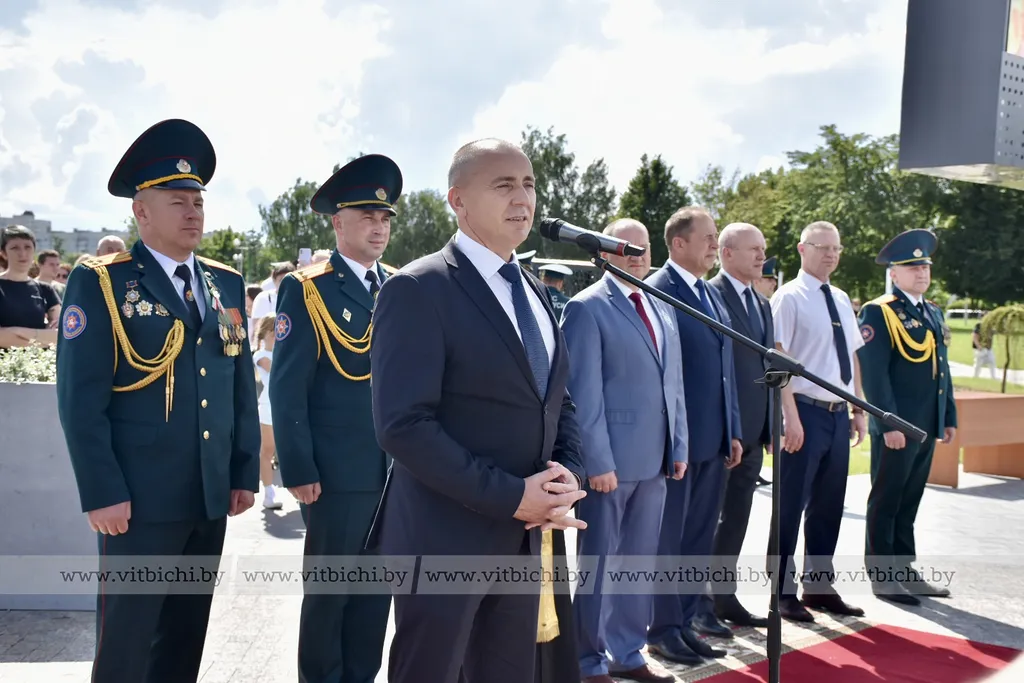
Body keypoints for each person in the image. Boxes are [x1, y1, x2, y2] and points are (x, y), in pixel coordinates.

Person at [368, 138, 587, 683]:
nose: (523, 198)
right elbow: (403, 425)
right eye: (504, 185)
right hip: (445, 539)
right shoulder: (418, 288)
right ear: (458, 200)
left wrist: (568, 473)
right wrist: (512, 495)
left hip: (526, 537)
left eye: (529, 184)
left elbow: (557, 399)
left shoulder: (534, 290)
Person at [55, 118, 261, 682]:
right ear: (141, 212)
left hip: (208, 494)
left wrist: (242, 470)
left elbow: (238, 384)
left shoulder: (223, 282)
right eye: (177, 201)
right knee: (127, 640)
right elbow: (80, 400)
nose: (193, 212)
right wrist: (102, 491)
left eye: (198, 201)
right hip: (138, 501)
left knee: (184, 638)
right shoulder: (104, 282)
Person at [270, 154, 401, 683]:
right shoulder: (307, 288)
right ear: (338, 222)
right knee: (330, 594)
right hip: (336, 474)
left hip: (393, 473)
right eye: (367, 216)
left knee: (374, 597)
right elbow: (288, 387)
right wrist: (299, 467)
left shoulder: (399, 285)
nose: (379, 227)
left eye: (385, 218)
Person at [561, 218, 686, 683]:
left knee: (637, 563)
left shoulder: (661, 305)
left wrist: (678, 444)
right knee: (598, 566)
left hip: (655, 460)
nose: (637, 255)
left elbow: (673, 385)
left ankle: (627, 654)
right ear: (604, 252)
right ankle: (587, 661)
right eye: (625, 247)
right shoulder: (587, 307)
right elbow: (583, 393)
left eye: (643, 247)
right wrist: (597, 461)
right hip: (609, 465)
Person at [646, 207, 742, 665]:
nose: (714, 245)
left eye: (715, 236)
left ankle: (685, 623)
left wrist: (733, 429)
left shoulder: (708, 293)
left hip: (714, 440)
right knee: (670, 541)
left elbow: (726, 369)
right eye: (707, 237)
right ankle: (663, 629)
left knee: (699, 539)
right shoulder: (658, 290)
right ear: (678, 243)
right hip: (678, 445)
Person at [769, 220, 866, 623]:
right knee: (790, 506)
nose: (830, 254)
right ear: (801, 249)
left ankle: (819, 586)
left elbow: (852, 356)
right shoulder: (789, 297)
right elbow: (778, 357)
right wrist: (789, 416)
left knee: (829, 506)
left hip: (837, 413)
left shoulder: (841, 298)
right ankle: (781, 591)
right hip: (804, 411)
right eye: (822, 247)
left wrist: (858, 408)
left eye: (836, 248)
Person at [858, 229, 956, 605]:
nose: (922, 272)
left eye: (925, 266)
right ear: (894, 273)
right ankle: (882, 575)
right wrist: (889, 424)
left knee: (910, 498)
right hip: (898, 426)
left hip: (926, 424)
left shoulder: (932, 311)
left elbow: (942, 370)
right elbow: (875, 375)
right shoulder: (880, 312)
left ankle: (903, 569)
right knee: (887, 498)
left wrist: (947, 416)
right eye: (913, 267)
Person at [704, 222, 773, 629]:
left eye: (763, 249)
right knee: (707, 520)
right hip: (720, 435)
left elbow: (765, 368)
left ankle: (724, 597)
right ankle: (698, 602)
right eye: (754, 249)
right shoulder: (709, 296)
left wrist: (770, 427)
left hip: (754, 433)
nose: (762, 256)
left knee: (736, 519)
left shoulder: (762, 303)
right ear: (727, 253)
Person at [0, 225, 61, 349]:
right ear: (4, 254)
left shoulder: (45, 290)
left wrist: (16, 331)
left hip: (38, 361)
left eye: (27, 247)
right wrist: (42, 337)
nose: (22, 253)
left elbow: (60, 335)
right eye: (15, 248)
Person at [252, 315, 282, 510]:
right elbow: (277, 371)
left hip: (285, 407)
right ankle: (269, 493)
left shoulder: (281, 353)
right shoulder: (260, 355)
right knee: (267, 450)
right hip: (268, 406)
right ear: (270, 332)